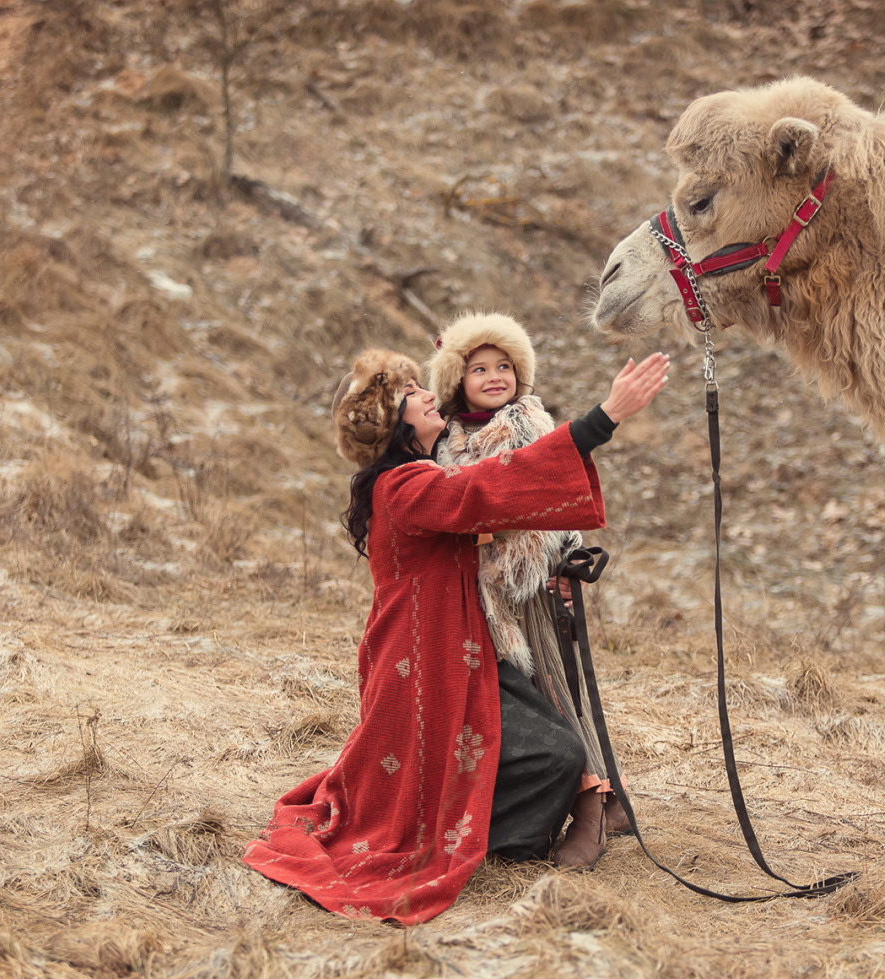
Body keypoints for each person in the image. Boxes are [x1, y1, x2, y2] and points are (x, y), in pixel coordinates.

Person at [243, 345, 670, 924]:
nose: (427, 394)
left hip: (457, 647)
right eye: (412, 393)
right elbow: (489, 487)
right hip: (423, 659)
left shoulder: (417, 476)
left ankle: (474, 825)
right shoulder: (405, 485)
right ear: (398, 425)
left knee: (555, 752)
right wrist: (604, 419)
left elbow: (492, 499)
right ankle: (464, 838)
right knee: (554, 754)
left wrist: (561, 560)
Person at [427, 312, 630, 868]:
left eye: (506, 366)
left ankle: (594, 804)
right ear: (456, 380)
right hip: (479, 596)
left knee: (553, 693)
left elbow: (552, 489)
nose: (496, 377)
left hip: (529, 586)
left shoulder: (525, 419)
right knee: (510, 701)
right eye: (480, 369)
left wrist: (565, 561)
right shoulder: (446, 436)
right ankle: (569, 800)